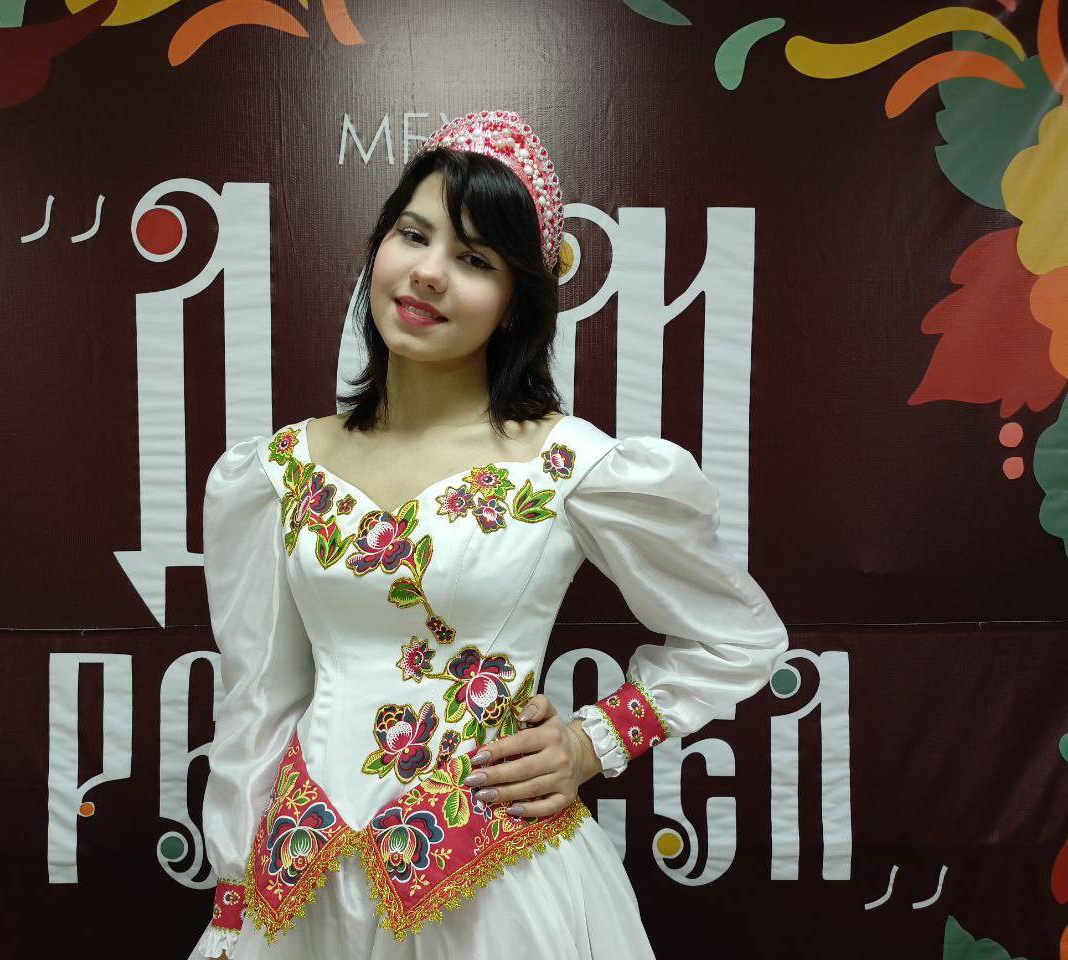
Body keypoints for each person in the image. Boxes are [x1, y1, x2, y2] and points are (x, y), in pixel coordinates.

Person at [192, 109, 788, 959]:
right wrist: (233, 882)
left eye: (474, 260)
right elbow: (259, 698)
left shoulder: (567, 465)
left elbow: (738, 636)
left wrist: (590, 742)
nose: (428, 273)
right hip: (305, 886)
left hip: (495, 888)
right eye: (413, 235)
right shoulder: (280, 470)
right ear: (378, 246)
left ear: (515, 304)